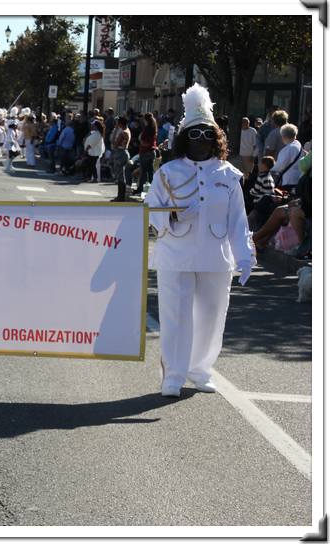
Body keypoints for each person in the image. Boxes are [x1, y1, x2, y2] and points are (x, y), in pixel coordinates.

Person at [144, 83, 254, 398]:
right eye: (194, 134)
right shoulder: (167, 173)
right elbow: (150, 211)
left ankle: (201, 370)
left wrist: (244, 256)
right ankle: (173, 376)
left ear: (216, 137)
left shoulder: (228, 174)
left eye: (207, 133)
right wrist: (174, 217)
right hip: (175, 255)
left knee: (211, 317)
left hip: (215, 258)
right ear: (183, 138)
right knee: (175, 316)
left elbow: (237, 220)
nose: (202, 140)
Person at [269, 123, 302, 190]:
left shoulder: (288, 149)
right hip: (298, 177)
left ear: (284, 136)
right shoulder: (298, 144)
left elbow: (280, 166)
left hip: (288, 180)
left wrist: (269, 169)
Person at [110, 117, 131, 201]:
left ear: (120, 124)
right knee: (122, 175)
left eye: (118, 123)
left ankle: (120, 196)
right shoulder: (127, 130)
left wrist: (115, 131)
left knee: (120, 176)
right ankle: (121, 195)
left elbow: (114, 143)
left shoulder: (122, 133)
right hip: (124, 152)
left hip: (120, 153)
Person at [136, 112, 157, 193]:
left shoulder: (147, 128)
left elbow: (144, 142)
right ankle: (154, 189)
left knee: (143, 172)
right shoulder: (154, 128)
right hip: (152, 151)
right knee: (150, 172)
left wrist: (141, 140)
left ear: (146, 120)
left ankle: (140, 188)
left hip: (145, 152)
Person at [239, 117, 257, 181]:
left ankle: (246, 188)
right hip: (238, 156)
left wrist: (253, 156)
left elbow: (256, 145)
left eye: (247, 122)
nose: (246, 124)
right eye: (244, 122)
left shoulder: (253, 131)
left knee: (247, 175)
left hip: (249, 156)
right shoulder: (237, 131)